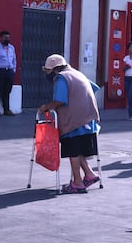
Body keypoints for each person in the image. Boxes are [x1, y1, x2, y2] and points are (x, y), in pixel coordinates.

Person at [39, 54, 101, 194]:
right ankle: (90, 174)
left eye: (48, 71)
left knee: (73, 149)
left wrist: (46, 107)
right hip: (88, 118)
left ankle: (77, 182)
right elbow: (94, 88)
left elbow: (60, 101)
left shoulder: (61, 78)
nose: (47, 74)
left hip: (74, 120)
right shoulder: (76, 73)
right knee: (78, 149)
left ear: (54, 69)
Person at [0, 30, 16, 116]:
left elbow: (14, 59)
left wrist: (13, 69)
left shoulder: (12, 48)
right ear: (1, 38)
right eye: (5, 38)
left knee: (7, 91)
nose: (7, 39)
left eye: (8, 38)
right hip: (0, 71)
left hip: (9, 71)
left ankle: (6, 109)